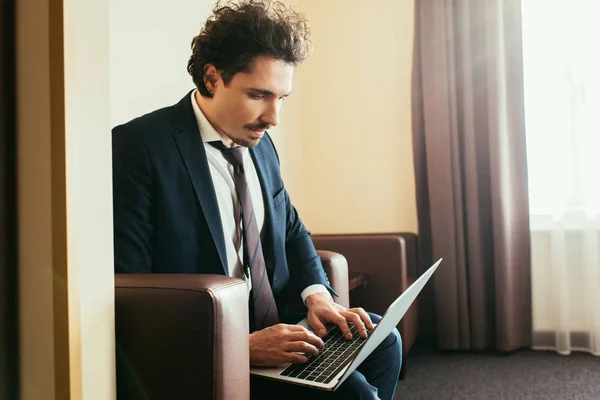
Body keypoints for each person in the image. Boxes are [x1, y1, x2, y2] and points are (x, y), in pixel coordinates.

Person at [112, 1, 402, 398]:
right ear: (212, 78)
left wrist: (316, 296)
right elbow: (130, 291)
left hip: (281, 323)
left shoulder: (260, 144)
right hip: (212, 345)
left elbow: (292, 229)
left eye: (282, 98)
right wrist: (237, 347)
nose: (273, 117)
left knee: (384, 341)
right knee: (354, 394)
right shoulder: (140, 147)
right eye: (259, 95)